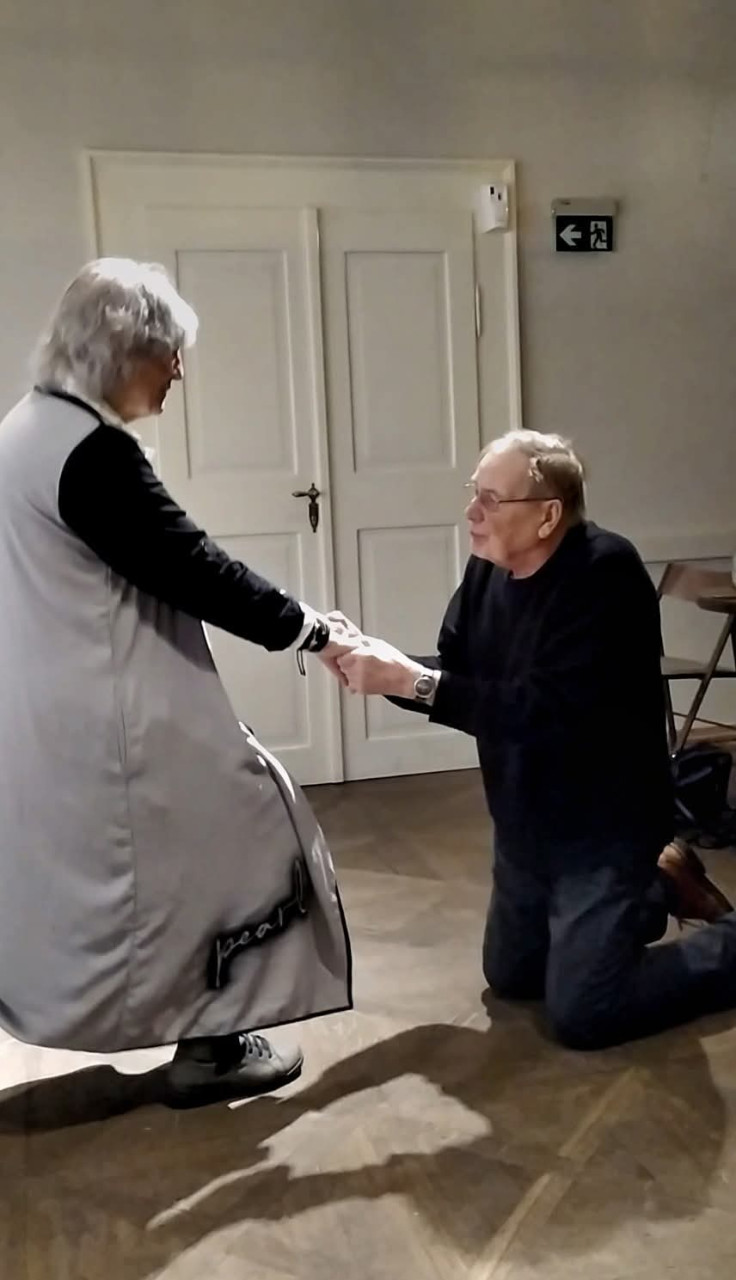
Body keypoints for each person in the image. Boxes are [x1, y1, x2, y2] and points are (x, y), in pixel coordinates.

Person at [0, 258, 358, 1104]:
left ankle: (199, 1032)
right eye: (170, 354)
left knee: (153, 874)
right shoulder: (90, 453)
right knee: (240, 839)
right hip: (118, 709)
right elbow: (191, 566)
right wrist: (311, 630)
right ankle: (213, 1048)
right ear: (124, 351)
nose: (179, 373)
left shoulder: (25, 428)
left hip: (52, 699)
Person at [337, 430, 736, 1050]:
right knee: (514, 977)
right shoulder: (486, 570)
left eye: (491, 499)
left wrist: (411, 680)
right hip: (525, 824)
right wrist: (380, 662)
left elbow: (542, 711)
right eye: (474, 493)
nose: (472, 512)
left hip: (604, 829)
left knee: (586, 1013)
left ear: (548, 515)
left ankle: (719, 938)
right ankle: (656, 886)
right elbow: (457, 677)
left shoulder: (605, 573)